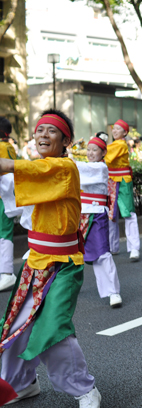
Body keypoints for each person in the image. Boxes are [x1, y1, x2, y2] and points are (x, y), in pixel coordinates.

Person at [0, 110, 101, 407]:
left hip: (62, 264)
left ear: (66, 140)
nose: (43, 135)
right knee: (16, 327)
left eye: (51, 131)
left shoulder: (63, 168)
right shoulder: (39, 170)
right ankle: (21, 384)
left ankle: (85, 389)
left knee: (53, 329)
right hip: (34, 262)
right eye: (39, 129)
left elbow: (9, 167)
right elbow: (9, 187)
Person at [75, 133, 122, 308]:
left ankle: (113, 292)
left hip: (96, 214)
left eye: (95, 150)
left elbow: (77, 169)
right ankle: (68, 287)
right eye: (88, 149)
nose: (90, 152)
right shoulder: (87, 166)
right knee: (72, 254)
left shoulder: (101, 168)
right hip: (80, 215)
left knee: (102, 253)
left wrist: (64, 161)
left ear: (103, 153)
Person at [105, 119, 140, 261]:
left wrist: (88, 150)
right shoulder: (114, 144)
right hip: (112, 181)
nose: (114, 131)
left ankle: (134, 248)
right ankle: (113, 247)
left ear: (125, 132)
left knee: (128, 214)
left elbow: (105, 156)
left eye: (118, 129)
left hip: (123, 182)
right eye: (114, 128)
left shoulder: (120, 144)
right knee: (111, 215)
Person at [0, 117, 18, 292]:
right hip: (6, 195)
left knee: (4, 233)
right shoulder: (9, 146)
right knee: (4, 233)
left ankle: (6, 273)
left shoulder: (2, 147)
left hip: (2, 197)